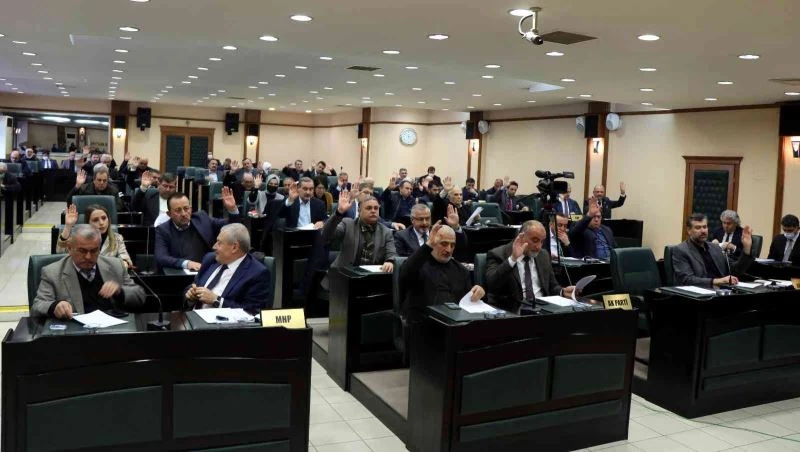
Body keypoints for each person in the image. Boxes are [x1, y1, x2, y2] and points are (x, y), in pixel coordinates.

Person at [31, 224, 146, 319]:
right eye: (82, 251)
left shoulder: (115, 265)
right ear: (70, 248)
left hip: (111, 332)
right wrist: (54, 306)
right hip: (75, 334)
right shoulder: (52, 272)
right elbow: (37, 306)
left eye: (94, 251)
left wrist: (120, 291)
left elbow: (140, 296)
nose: (88, 256)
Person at [485, 220, 576, 313]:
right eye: (535, 240)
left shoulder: (543, 255)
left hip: (542, 309)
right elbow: (492, 285)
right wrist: (513, 259)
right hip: (514, 311)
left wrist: (562, 292)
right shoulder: (498, 254)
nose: (538, 247)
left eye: (542, 241)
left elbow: (552, 286)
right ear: (521, 237)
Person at [400, 221, 485, 315]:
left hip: (455, 320)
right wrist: (428, 245)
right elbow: (404, 273)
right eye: (444, 244)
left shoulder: (462, 270)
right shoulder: (418, 264)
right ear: (432, 242)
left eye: (452, 245)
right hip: (424, 319)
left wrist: (476, 293)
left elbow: (468, 302)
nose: (449, 249)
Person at [184, 223, 272, 311]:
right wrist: (190, 295)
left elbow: (252, 310)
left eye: (219, 243)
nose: (214, 246)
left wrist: (217, 301)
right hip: (192, 316)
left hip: (220, 319)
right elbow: (194, 285)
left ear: (234, 247)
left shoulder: (257, 273)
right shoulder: (210, 259)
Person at [154, 188, 240, 271]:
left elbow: (231, 227)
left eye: (186, 208)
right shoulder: (163, 230)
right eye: (178, 210)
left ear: (191, 209)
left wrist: (232, 210)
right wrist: (187, 263)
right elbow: (161, 257)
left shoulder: (202, 219)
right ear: (169, 214)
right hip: (181, 274)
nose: (183, 214)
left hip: (208, 270)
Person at [322, 189, 397, 271]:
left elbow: (391, 253)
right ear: (359, 211)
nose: (373, 211)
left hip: (371, 275)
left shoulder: (386, 232)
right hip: (343, 274)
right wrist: (339, 212)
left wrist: (390, 261)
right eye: (369, 208)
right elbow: (326, 235)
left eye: (376, 208)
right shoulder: (348, 224)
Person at [672, 213, 754, 287]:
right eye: (698, 228)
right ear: (689, 230)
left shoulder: (715, 248)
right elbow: (687, 280)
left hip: (722, 291)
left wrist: (747, 248)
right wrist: (716, 281)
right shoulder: (681, 250)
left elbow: (735, 270)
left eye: (705, 227)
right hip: (699, 293)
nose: (703, 231)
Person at [57, 204, 132, 269]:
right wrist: (68, 226)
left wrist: (124, 263)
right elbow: (60, 253)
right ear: (88, 223)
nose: (101, 223)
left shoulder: (117, 238)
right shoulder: (78, 238)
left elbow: (125, 259)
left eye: (104, 218)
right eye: (95, 220)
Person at [395, 204, 466, 257]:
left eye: (427, 218)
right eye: (420, 219)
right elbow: (402, 261)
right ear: (412, 220)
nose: (425, 223)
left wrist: (455, 226)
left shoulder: (439, 230)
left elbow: (462, 245)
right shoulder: (402, 236)